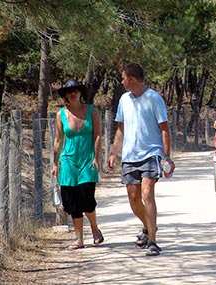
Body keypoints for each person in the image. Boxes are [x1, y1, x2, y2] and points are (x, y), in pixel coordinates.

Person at [107, 62, 175, 257]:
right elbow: (120, 129)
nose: (121, 82)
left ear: (131, 79)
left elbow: (164, 129)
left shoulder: (155, 98)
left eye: (123, 78)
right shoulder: (123, 100)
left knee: (147, 194)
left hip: (151, 153)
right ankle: (148, 227)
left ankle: (152, 241)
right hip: (130, 155)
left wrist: (167, 156)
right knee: (134, 199)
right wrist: (113, 152)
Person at [52, 79, 103, 250]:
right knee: (71, 201)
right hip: (68, 161)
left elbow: (97, 135)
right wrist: (54, 163)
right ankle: (79, 238)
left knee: (86, 198)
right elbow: (58, 140)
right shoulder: (61, 114)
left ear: (81, 92)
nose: (72, 93)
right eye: (69, 91)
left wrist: (96, 157)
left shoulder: (92, 111)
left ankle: (95, 229)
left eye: (75, 90)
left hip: (87, 159)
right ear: (65, 95)